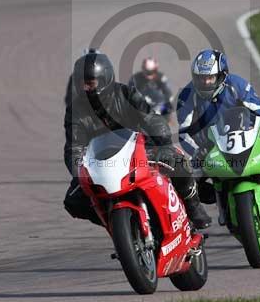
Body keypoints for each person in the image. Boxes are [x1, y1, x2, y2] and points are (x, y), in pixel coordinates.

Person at [63, 52, 212, 229]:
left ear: (105, 80)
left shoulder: (125, 93)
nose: (84, 88)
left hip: (139, 150)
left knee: (177, 160)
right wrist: (78, 169)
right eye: (81, 83)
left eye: (89, 83)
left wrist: (163, 142)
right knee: (73, 201)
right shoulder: (75, 110)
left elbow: (152, 119)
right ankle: (116, 224)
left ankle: (192, 205)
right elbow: (74, 146)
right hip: (101, 163)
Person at [176, 49, 260, 218]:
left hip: (248, 135)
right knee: (186, 183)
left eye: (210, 78)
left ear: (222, 76)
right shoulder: (187, 95)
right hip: (210, 147)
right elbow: (184, 132)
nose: (206, 83)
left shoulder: (237, 85)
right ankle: (196, 221)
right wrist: (197, 150)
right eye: (201, 78)